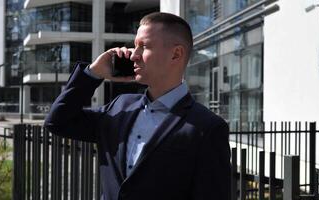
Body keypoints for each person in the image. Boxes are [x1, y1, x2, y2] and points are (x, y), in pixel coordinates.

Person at [45, 12, 231, 200]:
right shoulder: (121, 106)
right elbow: (58, 122)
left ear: (176, 54)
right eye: (135, 46)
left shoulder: (208, 128)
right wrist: (93, 73)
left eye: (144, 46)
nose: (134, 55)